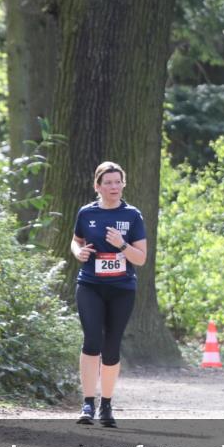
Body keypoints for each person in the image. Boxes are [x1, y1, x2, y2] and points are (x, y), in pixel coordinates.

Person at [71, 162, 147, 427]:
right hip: (90, 284)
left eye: (118, 182)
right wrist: (77, 252)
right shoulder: (86, 213)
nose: (114, 187)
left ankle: (107, 404)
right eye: (108, 183)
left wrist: (122, 245)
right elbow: (76, 240)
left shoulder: (133, 215)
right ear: (97, 186)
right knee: (92, 340)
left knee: (111, 346)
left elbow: (140, 258)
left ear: (123, 184)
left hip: (121, 288)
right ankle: (87, 403)